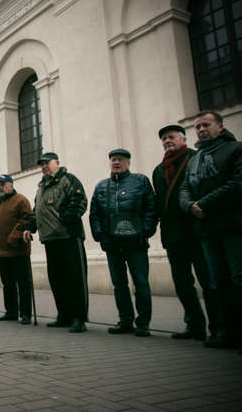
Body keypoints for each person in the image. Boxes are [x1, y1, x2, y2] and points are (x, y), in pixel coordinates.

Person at [179, 111, 242, 351]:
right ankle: (228, 332)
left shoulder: (236, 149)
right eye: (197, 127)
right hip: (207, 229)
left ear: (220, 127)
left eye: (206, 125)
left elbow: (237, 183)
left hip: (233, 226)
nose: (201, 129)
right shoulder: (196, 158)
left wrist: (203, 204)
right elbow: (185, 186)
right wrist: (189, 205)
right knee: (218, 282)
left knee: (239, 280)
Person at [152, 124, 220, 341]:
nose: (167, 141)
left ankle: (218, 327)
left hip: (197, 232)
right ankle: (195, 325)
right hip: (173, 236)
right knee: (182, 284)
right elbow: (160, 203)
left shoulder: (196, 159)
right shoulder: (158, 170)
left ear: (183, 139)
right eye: (164, 138)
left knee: (208, 281)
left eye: (171, 137)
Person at [90, 149, 157, 337]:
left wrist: (145, 231)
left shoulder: (140, 181)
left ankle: (143, 323)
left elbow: (151, 208)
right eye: (113, 160)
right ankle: (125, 320)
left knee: (141, 283)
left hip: (136, 244)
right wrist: (100, 236)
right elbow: (94, 213)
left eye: (120, 159)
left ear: (128, 162)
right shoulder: (102, 186)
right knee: (119, 284)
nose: (116, 162)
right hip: (112, 244)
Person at [23, 153, 89, 333]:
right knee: (57, 280)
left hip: (68, 237)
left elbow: (80, 201)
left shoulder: (68, 179)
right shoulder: (41, 188)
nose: (44, 166)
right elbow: (37, 211)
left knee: (75, 279)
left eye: (47, 163)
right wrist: (30, 227)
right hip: (50, 240)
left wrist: (65, 219)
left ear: (57, 163)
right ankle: (64, 315)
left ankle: (78, 318)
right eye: (41, 164)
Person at [0, 174, 33, 324]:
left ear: (10, 185)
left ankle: (25, 314)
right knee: (8, 284)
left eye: (2, 184)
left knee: (23, 283)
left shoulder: (21, 200)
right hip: (2, 252)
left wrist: (14, 236)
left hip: (18, 250)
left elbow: (26, 219)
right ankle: (11, 312)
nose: (0, 187)